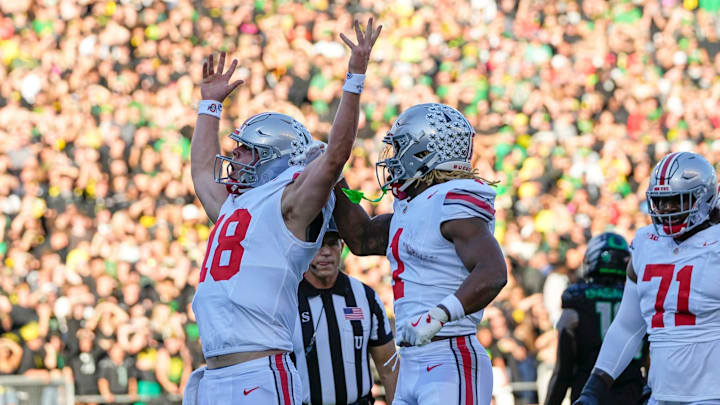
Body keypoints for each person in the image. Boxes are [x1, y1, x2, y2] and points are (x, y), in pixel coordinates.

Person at [184, 18, 382, 405]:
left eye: (245, 149)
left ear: (272, 157)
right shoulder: (236, 204)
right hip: (213, 374)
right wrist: (209, 106)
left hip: (259, 373)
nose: (234, 155)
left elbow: (335, 157)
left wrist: (354, 78)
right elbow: (201, 170)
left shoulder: (288, 203)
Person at [332, 103, 507, 405]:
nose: (394, 159)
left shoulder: (451, 199)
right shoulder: (415, 205)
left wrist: (439, 315)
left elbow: (493, 272)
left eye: (400, 148)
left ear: (425, 153)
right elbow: (361, 239)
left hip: (449, 355)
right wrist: (331, 172)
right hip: (413, 361)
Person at [574, 151, 720, 405]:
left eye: (676, 200)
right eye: (661, 201)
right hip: (660, 395)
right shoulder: (646, 243)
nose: (666, 209)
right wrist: (593, 389)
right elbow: (628, 326)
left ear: (704, 198)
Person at [293, 220, 398, 405]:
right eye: (318, 243)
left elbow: (388, 367)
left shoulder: (365, 296)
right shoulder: (288, 299)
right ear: (305, 247)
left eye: (332, 243)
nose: (325, 251)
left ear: (341, 246)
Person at [545, 232, 645, 405]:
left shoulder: (577, 299)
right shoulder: (638, 298)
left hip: (588, 393)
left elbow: (563, 371)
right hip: (631, 393)